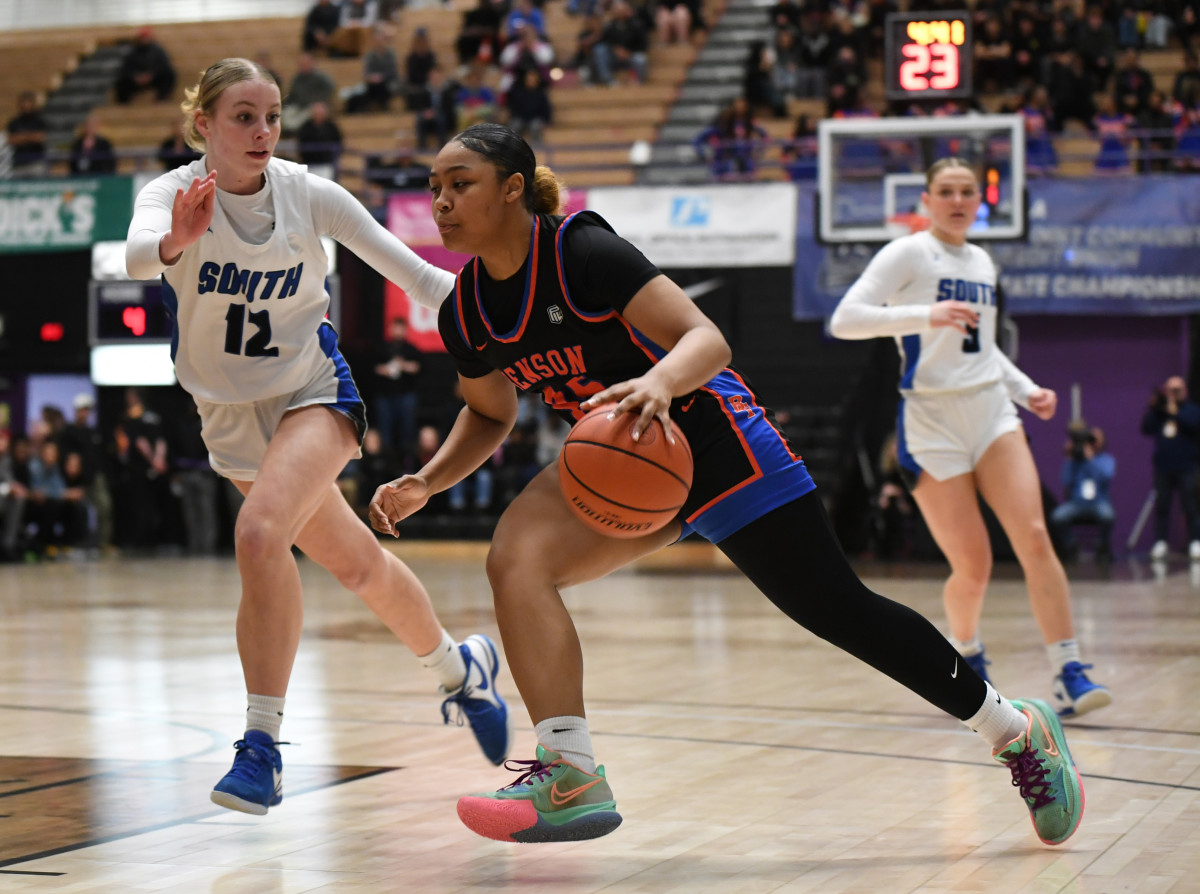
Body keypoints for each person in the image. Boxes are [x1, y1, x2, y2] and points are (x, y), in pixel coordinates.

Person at [369, 124, 1086, 848]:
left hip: (715, 443)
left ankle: (1016, 732)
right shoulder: (465, 308)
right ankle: (571, 772)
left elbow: (706, 340)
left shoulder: (581, 253)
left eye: (460, 184)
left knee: (839, 610)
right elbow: (491, 412)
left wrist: (656, 381)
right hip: (620, 467)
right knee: (515, 560)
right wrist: (428, 482)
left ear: (512, 188)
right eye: (434, 188)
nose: (442, 202)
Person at [124, 58, 512, 816]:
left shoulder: (309, 194)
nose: (263, 130)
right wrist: (176, 241)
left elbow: (423, 281)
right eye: (243, 115)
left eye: (272, 114)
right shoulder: (170, 196)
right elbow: (139, 258)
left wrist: (503, 319)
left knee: (260, 534)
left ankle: (261, 747)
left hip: (314, 392)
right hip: (229, 417)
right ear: (203, 123)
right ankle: (460, 671)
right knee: (360, 567)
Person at [829, 157, 1111, 720]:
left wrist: (1027, 389)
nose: (958, 200)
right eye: (946, 191)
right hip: (931, 423)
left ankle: (1070, 669)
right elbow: (846, 319)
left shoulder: (982, 261)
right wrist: (925, 314)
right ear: (927, 201)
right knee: (974, 565)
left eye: (967, 192)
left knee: (1034, 536)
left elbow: (983, 349)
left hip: (990, 411)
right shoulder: (908, 253)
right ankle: (969, 654)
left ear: (979, 202)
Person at [1141, 375, 1200, 561]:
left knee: (1190, 506)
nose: (1173, 394)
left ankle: (1195, 542)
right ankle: (1161, 543)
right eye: (1170, 390)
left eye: (1177, 390)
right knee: (1162, 506)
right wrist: (1154, 408)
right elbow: (1146, 428)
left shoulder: (1191, 409)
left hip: (1187, 466)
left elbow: (1193, 424)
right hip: (1164, 467)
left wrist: (1174, 411)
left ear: (1185, 391)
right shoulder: (1160, 412)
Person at [1050, 426, 1116, 562]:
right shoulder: (1074, 461)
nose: (1094, 443)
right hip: (1077, 504)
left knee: (1108, 515)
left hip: (1098, 503)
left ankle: (1102, 545)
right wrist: (1069, 457)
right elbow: (1065, 480)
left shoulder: (1106, 460)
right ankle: (1071, 545)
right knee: (1058, 516)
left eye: (1097, 440)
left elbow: (1106, 476)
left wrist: (1090, 459)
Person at [372, 316, 423, 456]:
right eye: (395, 328)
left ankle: (406, 459)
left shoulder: (411, 350)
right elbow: (373, 368)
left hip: (406, 394)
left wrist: (403, 365)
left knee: (407, 430)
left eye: (401, 328)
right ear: (390, 329)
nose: (398, 331)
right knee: (385, 430)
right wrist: (385, 370)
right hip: (385, 395)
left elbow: (419, 367)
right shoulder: (382, 348)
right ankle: (385, 460)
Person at [115, 27, 178, 104]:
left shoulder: (158, 51)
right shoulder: (132, 52)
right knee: (121, 81)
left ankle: (162, 98)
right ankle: (123, 103)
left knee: (169, 75)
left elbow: (164, 66)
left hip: (154, 78)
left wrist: (152, 75)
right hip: (136, 80)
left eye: (145, 37)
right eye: (142, 37)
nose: (144, 39)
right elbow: (126, 69)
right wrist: (135, 76)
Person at [5, 91, 48, 175]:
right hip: (19, 163)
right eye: (24, 102)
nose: (26, 105)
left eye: (28, 102)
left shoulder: (39, 121)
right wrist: (30, 136)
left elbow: (40, 138)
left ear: (33, 104)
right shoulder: (14, 122)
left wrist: (22, 137)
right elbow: (11, 140)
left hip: (36, 162)